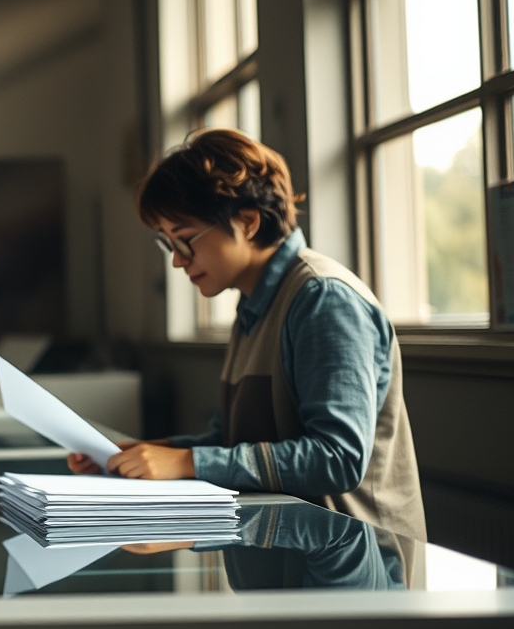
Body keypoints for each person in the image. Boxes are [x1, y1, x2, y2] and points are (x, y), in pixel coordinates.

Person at [68, 128, 426, 540]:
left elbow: (337, 459)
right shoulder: (255, 304)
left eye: (184, 241)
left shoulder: (323, 299)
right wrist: (145, 454)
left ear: (248, 222)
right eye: (167, 245)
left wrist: (186, 463)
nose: (178, 262)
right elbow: (231, 441)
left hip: (354, 563)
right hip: (289, 552)